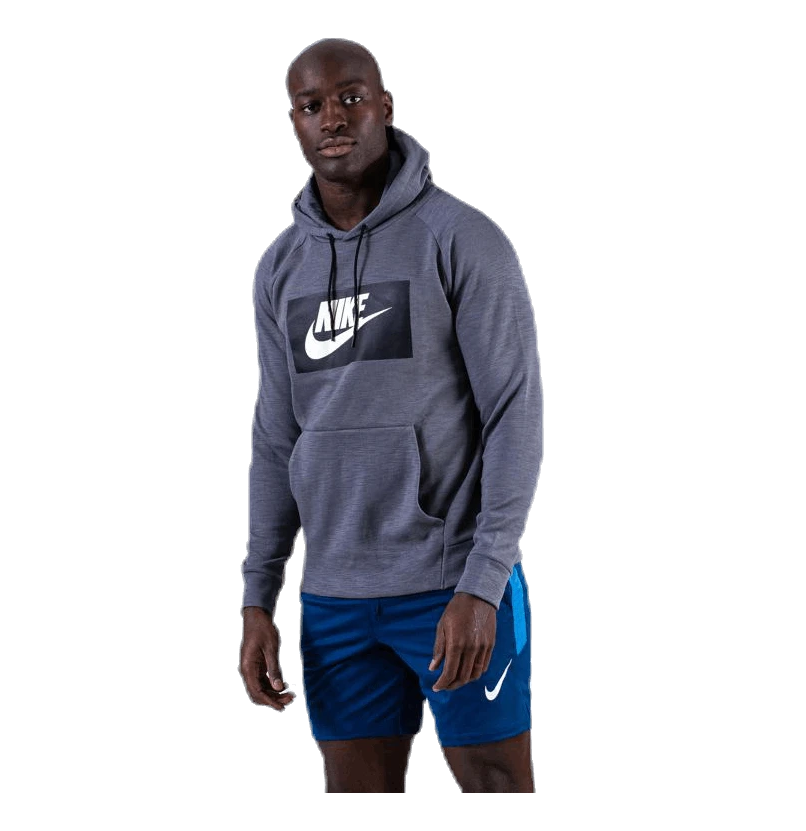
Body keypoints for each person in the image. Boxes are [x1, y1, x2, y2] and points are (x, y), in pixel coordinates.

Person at [240, 38, 543, 798]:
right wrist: (257, 596)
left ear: (385, 106)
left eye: (350, 98)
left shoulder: (460, 237)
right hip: (334, 593)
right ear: (294, 122)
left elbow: (513, 414)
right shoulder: (281, 266)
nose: (333, 118)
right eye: (311, 105)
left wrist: (482, 584)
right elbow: (275, 438)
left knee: (497, 786)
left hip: (451, 581)